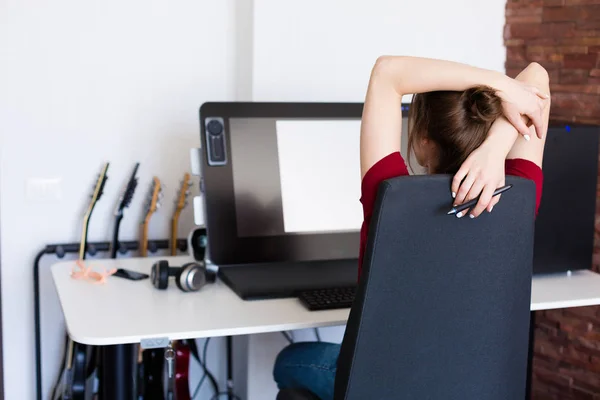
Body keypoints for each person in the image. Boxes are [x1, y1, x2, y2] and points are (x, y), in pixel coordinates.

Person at [273, 57, 551, 400]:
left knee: (289, 362)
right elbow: (537, 76)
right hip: (472, 390)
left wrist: (501, 88)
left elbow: (387, 72)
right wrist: (496, 146)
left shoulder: (389, 195)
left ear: (421, 140)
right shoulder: (519, 198)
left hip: (382, 390)